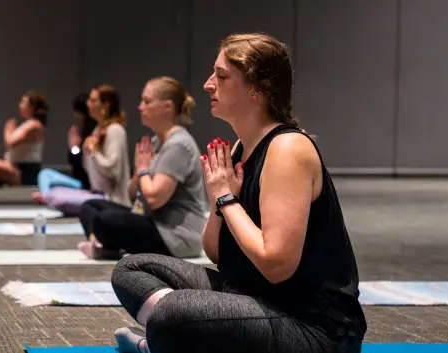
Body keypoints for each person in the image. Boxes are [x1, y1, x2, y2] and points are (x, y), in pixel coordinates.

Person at [109, 33, 367, 353]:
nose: (207, 85)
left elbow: (276, 265)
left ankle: (167, 339)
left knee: (173, 313)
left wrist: (227, 199)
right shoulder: (240, 148)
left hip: (311, 328)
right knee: (131, 269)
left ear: (257, 88)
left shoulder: (288, 150)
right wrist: (219, 200)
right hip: (251, 299)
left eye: (222, 76)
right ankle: (173, 339)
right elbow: (215, 252)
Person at [77, 76, 208, 260]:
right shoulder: (155, 142)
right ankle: (102, 245)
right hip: (152, 221)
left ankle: (103, 246)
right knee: (90, 207)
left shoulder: (179, 145)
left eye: (147, 101)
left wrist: (144, 169)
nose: (140, 107)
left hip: (176, 237)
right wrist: (139, 174)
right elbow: (133, 196)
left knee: (105, 220)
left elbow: (155, 198)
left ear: (167, 107)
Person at [31, 93, 97, 210]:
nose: (75, 116)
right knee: (45, 174)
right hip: (77, 181)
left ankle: (47, 197)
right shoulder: (79, 132)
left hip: (86, 184)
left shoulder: (93, 134)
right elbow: (73, 163)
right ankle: (46, 196)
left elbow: (82, 166)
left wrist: (74, 147)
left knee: (47, 177)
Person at [0, 92, 48, 186]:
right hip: (16, 167)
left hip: (25, 171)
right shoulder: (28, 124)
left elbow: (10, 142)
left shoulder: (34, 125)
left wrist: (8, 128)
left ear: (32, 107)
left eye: (23, 102)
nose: (20, 105)